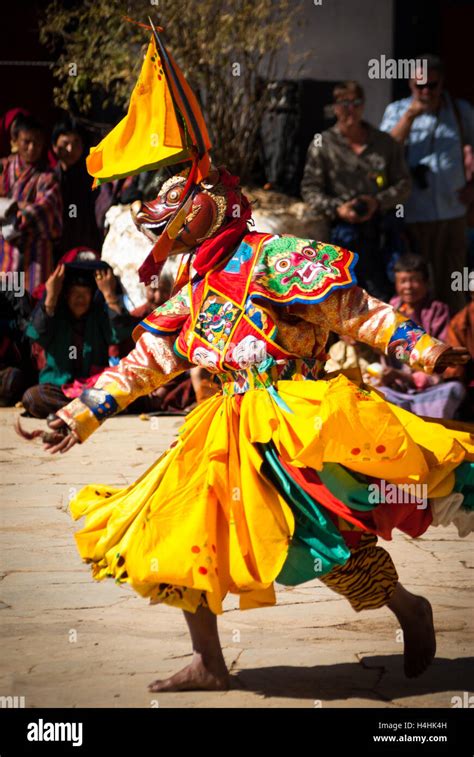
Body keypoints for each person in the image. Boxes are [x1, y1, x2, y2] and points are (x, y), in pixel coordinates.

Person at [38, 164, 474, 694]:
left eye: (177, 221)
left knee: (320, 541)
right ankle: (209, 661)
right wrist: (78, 412)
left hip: (291, 420)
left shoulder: (276, 258)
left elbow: (356, 312)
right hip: (221, 425)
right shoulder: (192, 291)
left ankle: (408, 607)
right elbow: (146, 362)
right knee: (183, 529)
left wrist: (425, 349)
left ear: (208, 213)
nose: (167, 237)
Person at [380, 54, 474, 315]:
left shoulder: (460, 111)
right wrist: (409, 118)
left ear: (441, 84)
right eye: (419, 86)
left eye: (431, 86)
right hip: (412, 213)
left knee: (453, 281)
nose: (425, 91)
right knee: (416, 284)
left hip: (452, 211)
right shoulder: (397, 111)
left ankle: (456, 343)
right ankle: (420, 345)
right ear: (410, 84)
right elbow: (384, 154)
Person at [301, 80, 411, 301]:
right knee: (342, 297)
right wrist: (338, 208)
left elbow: (404, 184)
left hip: (381, 232)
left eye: (356, 103)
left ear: (363, 105)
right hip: (341, 234)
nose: (350, 109)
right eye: (343, 103)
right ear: (334, 107)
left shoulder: (384, 142)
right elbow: (309, 189)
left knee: (382, 296)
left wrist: (377, 202)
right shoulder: (323, 144)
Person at [22, 251, 133, 418]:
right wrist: (51, 297)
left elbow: (122, 333)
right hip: (60, 388)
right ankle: (84, 410)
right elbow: (36, 335)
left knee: (128, 389)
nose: (80, 299)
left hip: (95, 387)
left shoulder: (99, 315)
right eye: (75, 293)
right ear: (66, 295)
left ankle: (75, 411)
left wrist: (109, 296)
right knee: (32, 397)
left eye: (85, 294)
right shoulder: (54, 313)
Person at [375, 254, 465, 418]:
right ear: (396, 283)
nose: (408, 286)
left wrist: (409, 377)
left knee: (454, 390)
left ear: (426, 283)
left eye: (414, 280)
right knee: (377, 393)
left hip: (430, 389)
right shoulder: (391, 309)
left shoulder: (437, 310)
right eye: (403, 281)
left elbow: (442, 354)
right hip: (397, 389)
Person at [0, 114, 62, 292]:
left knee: (34, 306)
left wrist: (11, 209)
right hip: (5, 251)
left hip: (36, 254)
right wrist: (21, 205)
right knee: (6, 309)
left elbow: (46, 209)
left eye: (37, 142)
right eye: (26, 141)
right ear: (15, 141)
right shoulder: (3, 169)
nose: (32, 147)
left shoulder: (48, 177)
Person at [52, 117, 102, 259]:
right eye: (65, 143)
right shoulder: (49, 178)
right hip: (57, 248)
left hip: (87, 246)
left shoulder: (91, 177)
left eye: (76, 143)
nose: (70, 149)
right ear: (55, 146)